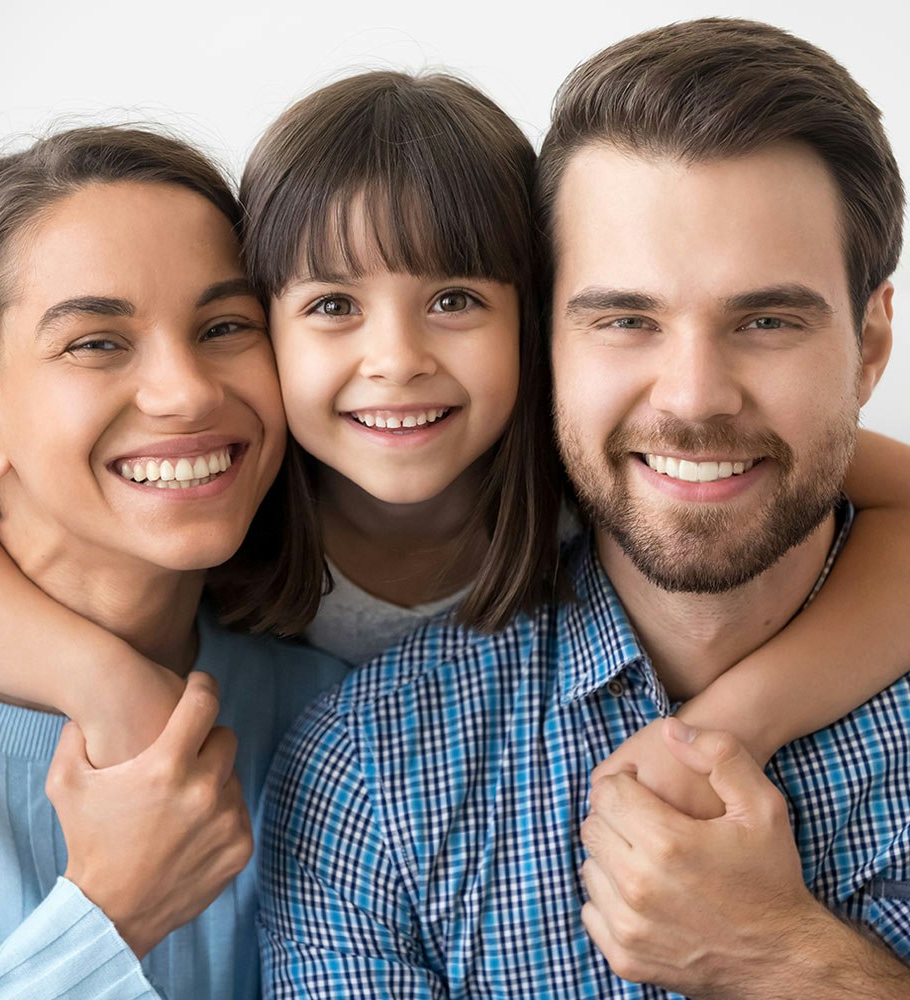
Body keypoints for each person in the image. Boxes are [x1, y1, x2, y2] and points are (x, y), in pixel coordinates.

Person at [257, 21, 910, 998]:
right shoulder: (370, 774)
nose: (694, 398)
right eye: (626, 320)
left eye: (766, 320)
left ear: (869, 347)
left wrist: (786, 960)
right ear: (550, 346)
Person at [0, 125, 345, 999]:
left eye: (226, 326)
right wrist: (112, 915)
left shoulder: (334, 721)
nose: (187, 391)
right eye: (96, 342)